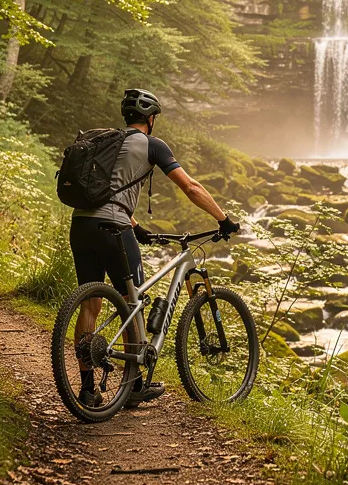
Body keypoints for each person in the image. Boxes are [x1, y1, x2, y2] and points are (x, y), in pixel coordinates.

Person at [70, 88, 239, 407]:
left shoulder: (108, 141)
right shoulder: (152, 144)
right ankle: (133, 387)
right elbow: (190, 186)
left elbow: (107, 191)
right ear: (151, 118)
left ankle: (88, 390)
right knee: (132, 300)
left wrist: (138, 227)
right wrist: (223, 218)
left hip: (81, 224)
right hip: (114, 227)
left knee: (90, 305)